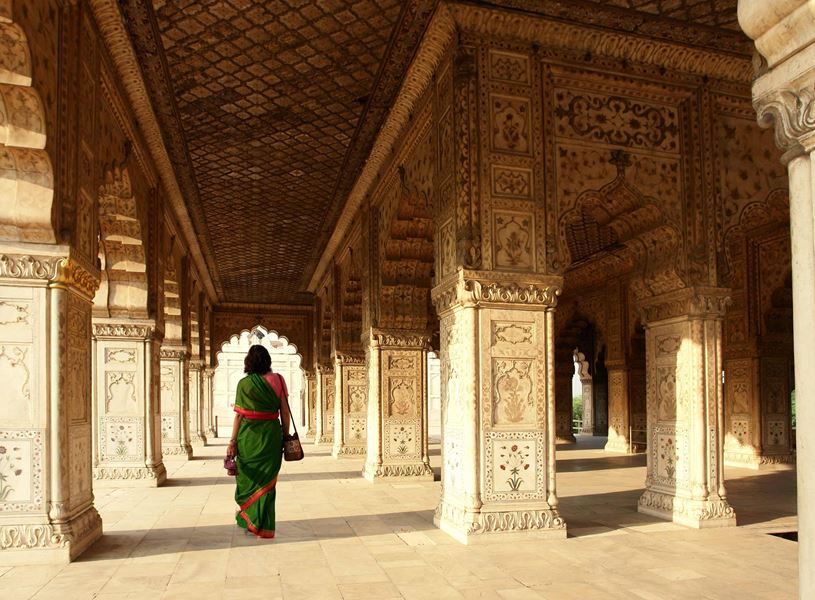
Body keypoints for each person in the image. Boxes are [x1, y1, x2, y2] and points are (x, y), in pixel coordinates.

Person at [227, 344, 291, 538]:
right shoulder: (278, 380)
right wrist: (285, 436)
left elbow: (238, 417)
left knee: (249, 478)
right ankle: (264, 525)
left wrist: (232, 441)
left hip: (248, 439)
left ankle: (250, 517)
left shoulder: (244, 384)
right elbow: (284, 412)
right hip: (271, 438)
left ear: (249, 362)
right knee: (268, 482)